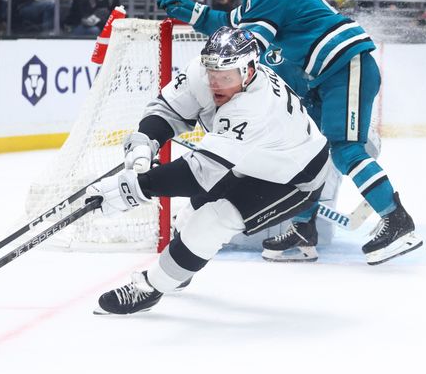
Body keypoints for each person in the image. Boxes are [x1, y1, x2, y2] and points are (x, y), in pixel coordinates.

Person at [158, 0, 422, 265]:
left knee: (345, 149)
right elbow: (235, 25)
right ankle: (302, 230)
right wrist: (194, 12)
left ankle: (397, 221)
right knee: (308, 148)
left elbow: (243, 41)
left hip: (345, 67)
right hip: (324, 79)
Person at [87, 27, 331, 315]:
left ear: (249, 70)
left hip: (293, 176)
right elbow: (170, 110)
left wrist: (138, 188)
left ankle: (151, 288)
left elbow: (201, 173)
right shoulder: (205, 72)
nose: (215, 84)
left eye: (225, 77)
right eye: (212, 75)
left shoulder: (256, 107)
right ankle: (178, 271)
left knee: (210, 222)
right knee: (186, 220)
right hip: (252, 159)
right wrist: (145, 140)